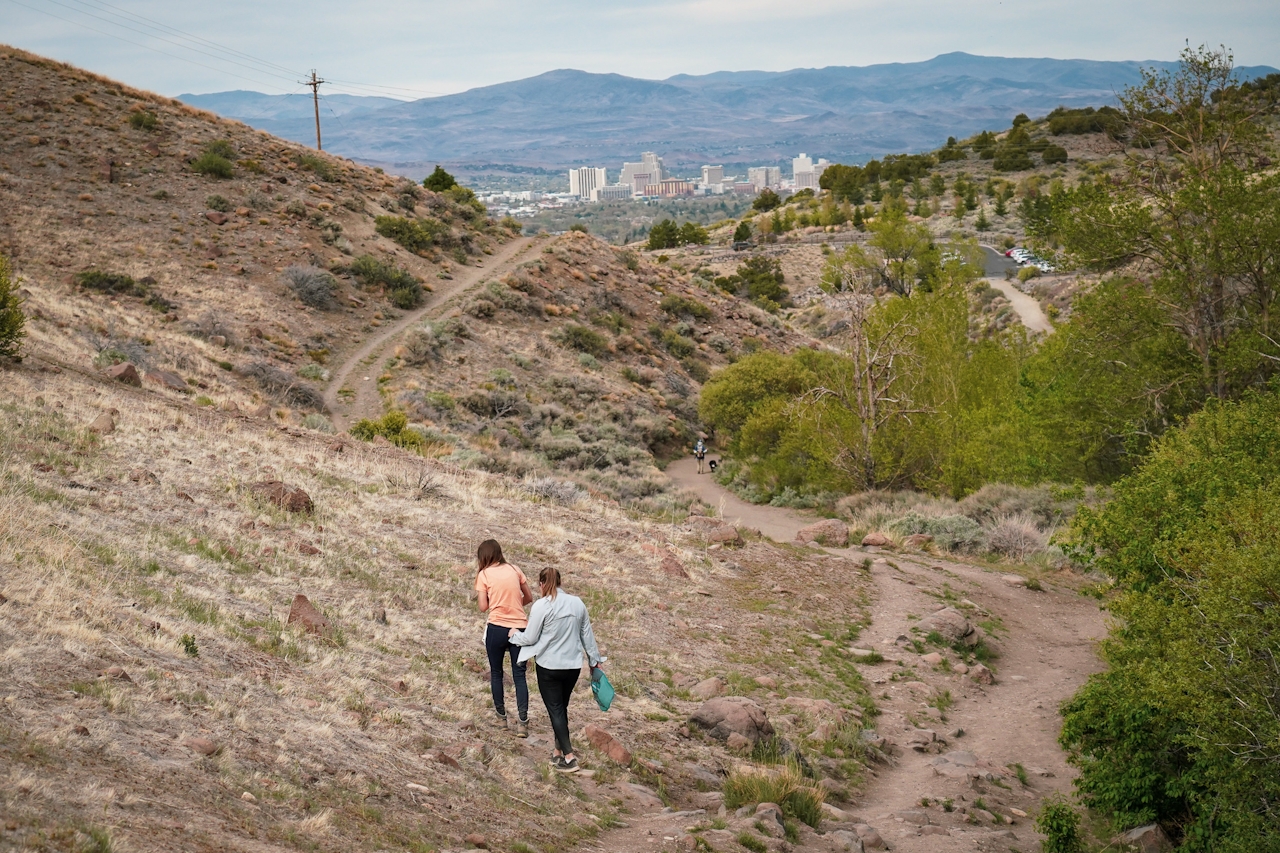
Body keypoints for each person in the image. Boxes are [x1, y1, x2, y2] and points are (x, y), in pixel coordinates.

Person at [509, 567, 603, 773]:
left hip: (550, 666)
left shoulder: (542, 605)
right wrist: (594, 661)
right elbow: (587, 635)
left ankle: (569, 758)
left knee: (556, 709)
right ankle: (557, 753)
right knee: (560, 708)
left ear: (542, 584)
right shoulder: (577, 603)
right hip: (572, 666)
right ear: (560, 582)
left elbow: (531, 637)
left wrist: (514, 635)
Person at [475, 539, 534, 737]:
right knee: (520, 676)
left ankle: (501, 719)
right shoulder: (515, 569)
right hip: (519, 626)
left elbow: (483, 607)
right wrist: (514, 604)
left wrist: (496, 601)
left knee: (496, 673)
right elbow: (529, 597)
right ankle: (523, 723)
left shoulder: (483, 575)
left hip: (497, 627)